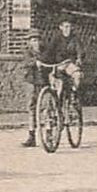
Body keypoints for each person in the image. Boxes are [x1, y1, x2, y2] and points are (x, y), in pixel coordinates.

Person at [23, 17, 78, 147]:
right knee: (31, 107)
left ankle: (48, 133)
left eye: (37, 40)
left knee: (47, 107)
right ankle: (31, 135)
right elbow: (26, 62)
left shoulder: (45, 51)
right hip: (31, 81)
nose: (36, 43)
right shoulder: (27, 52)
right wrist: (34, 63)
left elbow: (51, 59)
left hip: (44, 81)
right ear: (29, 42)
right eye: (33, 40)